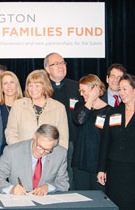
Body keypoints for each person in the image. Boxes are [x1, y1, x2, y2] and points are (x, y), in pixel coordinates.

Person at [97, 74, 135, 210]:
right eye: (120, 89)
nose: (121, 93)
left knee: (130, 203)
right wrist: (101, 168)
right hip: (114, 167)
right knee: (114, 203)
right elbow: (105, 141)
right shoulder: (113, 112)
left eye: (125, 89)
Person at [0, 124, 69, 196]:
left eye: (47, 150)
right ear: (34, 136)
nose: (41, 152)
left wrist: (48, 187)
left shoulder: (60, 154)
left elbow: (64, 183)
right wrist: (11, 189)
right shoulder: (13, 152)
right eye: (39, 146)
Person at [43, 52, 81, 188]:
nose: (61, 66)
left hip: (72, 143)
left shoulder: (76, 87)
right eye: (56, 64)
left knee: (70, 179)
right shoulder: (41, 88)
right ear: (47, 69)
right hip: (47, 143)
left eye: (63, 63)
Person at [5, 70, 69, 149]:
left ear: (45, 86)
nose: (33, 89)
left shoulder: (59, 108)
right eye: (30, 85)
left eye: (37, 85)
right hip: (22, 156)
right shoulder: (18, 105)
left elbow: (63, 139)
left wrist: (51, 155)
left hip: (49, 157)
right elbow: (10, 133)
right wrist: (22, 150)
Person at [71, 74, 110, 191]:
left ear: (95, 88)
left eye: (84, 91)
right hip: (80, 163)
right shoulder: (79, 106)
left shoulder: (110, 111)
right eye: (80, 91)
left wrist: (104, 168)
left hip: (98, 165)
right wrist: (90, 101)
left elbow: (109, 142)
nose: (81, 94)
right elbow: (80, 120)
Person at [0, 70, 23, 139]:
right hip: (1, 148)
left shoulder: (25, 105)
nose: (9, 86)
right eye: (5, 83)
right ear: (1, 88)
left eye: (12, 82)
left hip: (21, 147)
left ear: (17, 85)